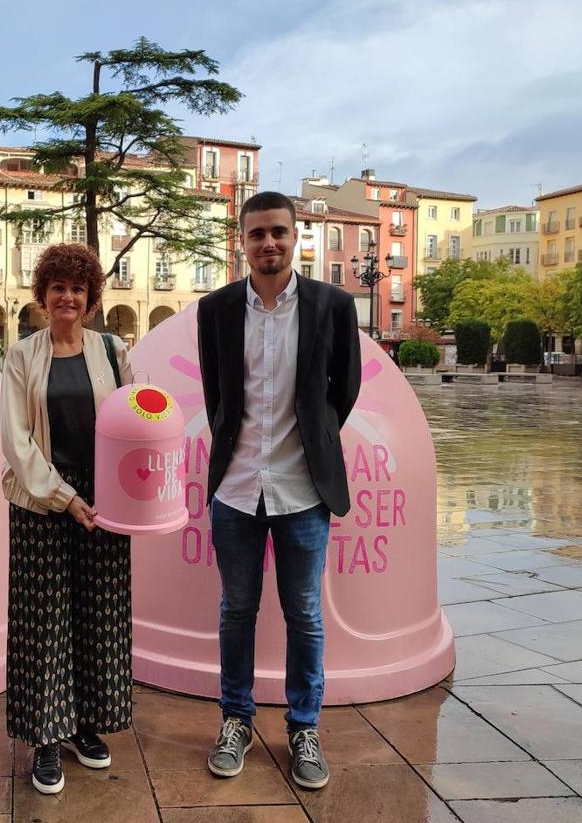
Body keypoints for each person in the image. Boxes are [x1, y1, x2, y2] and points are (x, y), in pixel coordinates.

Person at [196, 191, 361, 791]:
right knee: (236, 611)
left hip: (304, 491)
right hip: (236, 489)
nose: (269, 243)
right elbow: (218, 396)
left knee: (305, 615)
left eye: (279, 233)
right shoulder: (214, 310)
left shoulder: (333, 305)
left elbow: (343, 390)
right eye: (257, 233)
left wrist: (313, 441)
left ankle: (303, 728)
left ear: (296, 238)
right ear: (241, 241)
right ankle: (235, 720)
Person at [0, 243, 134, 795]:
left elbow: (133, 419)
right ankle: (45, 737)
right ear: (43, 295)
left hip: (105, 503)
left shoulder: (113, 349)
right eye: (58, 288)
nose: (68, 297)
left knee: (98, 615)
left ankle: (84, 726)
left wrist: (133, 492)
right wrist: (63, 496)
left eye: (78, 289)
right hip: (41, 502)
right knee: (46, 622)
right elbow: (17, 441)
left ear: (91, 297)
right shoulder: (20, 356)